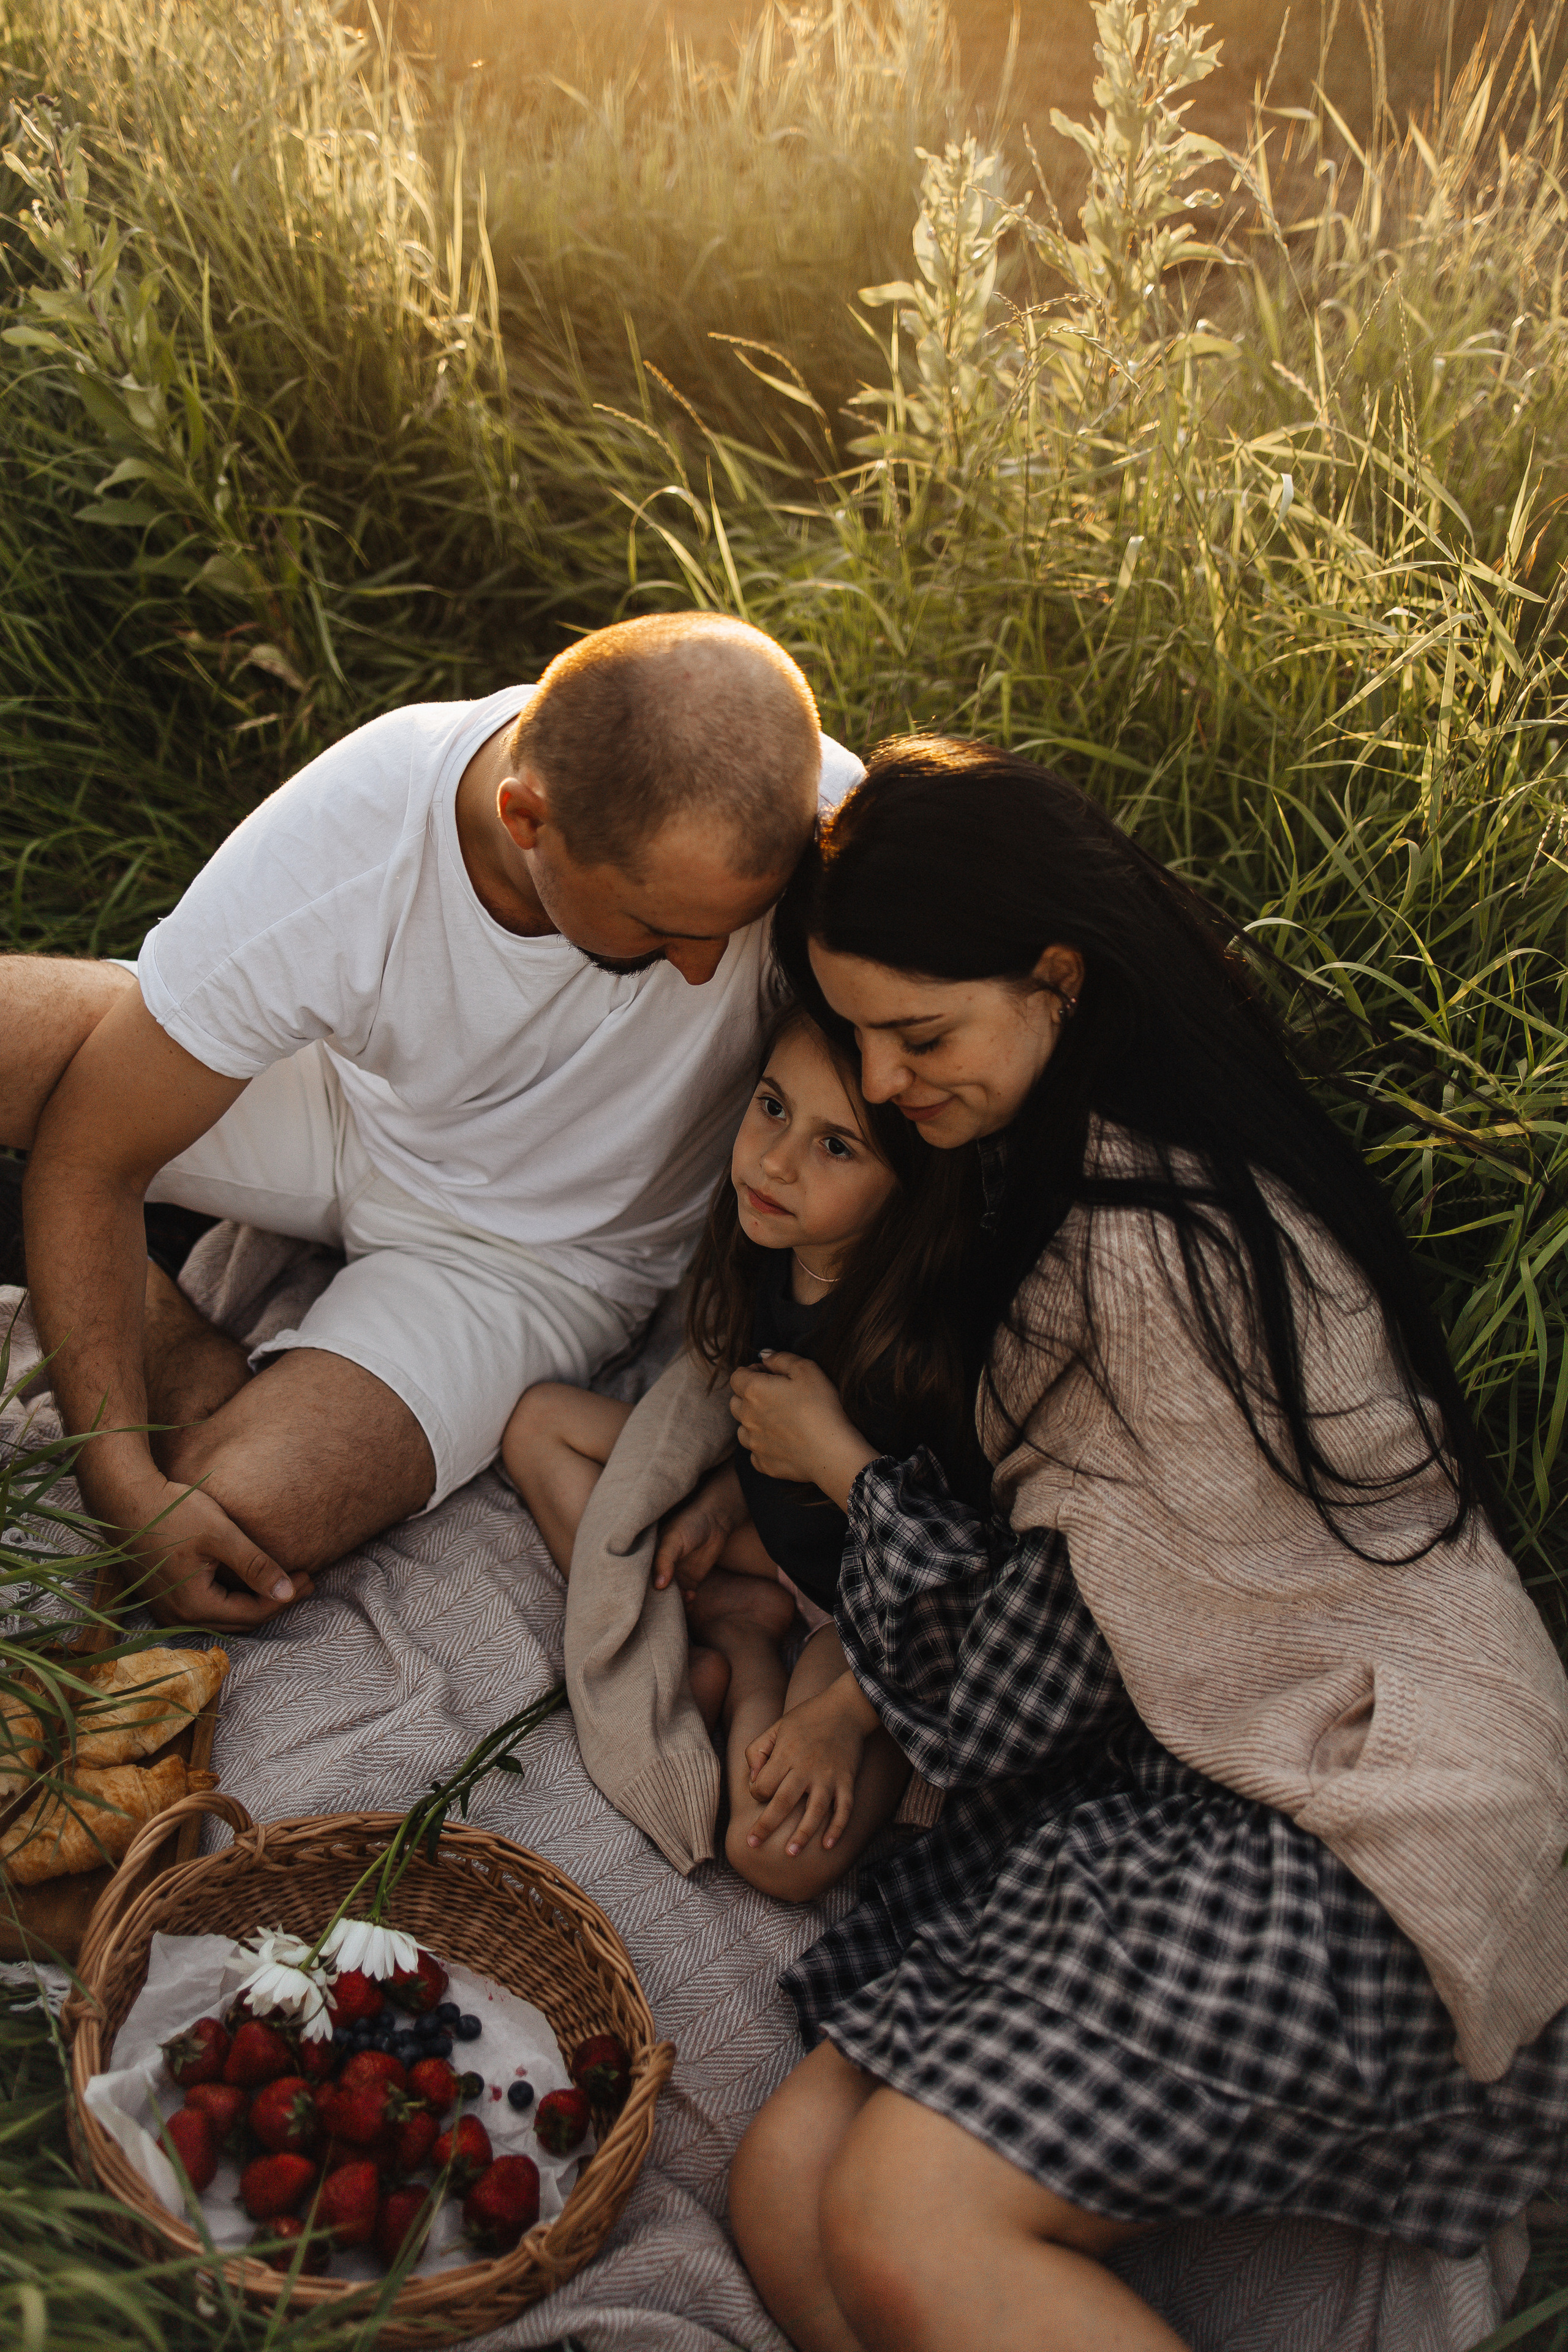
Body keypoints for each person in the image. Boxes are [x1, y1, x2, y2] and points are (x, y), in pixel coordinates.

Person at [725, 737, 1568, 2352]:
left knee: (903, 2223)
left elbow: (1020, 1691)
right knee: (788, 2187)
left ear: (1054, 977)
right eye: (859, 1041)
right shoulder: (1051, 1157)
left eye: (922, 1036)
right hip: (1163, 1787)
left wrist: (853, 1490)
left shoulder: (1134, 1257)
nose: (888, 1088)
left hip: (1348, 1803)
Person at [0, 614, 859, 1630]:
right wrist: (115, 1481)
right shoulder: (361, 830)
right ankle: (92, 1267)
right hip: (338, 1095)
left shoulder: (830, 819)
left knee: (235, 1522)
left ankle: (144, 1305)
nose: (705, 968)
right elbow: (96, 1157)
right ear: (527, 819)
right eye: (663, 930)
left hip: (538, 1257)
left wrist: (157, 1490)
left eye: (728, 931)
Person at [503, 1003, 968, 1898]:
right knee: (537, 1423)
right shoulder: (771, 1242)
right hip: (769, 1528)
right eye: (772, 1107)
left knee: (771, 1850)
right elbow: (734, 1412)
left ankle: (745, 1647)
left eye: (839, 1147)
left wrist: (842, 1713)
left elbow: (956, 1569)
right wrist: (715, 1500)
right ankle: (723, 1614)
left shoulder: (917, 1346)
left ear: (908, 1185)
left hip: (866, 1608)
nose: (776, 1160)